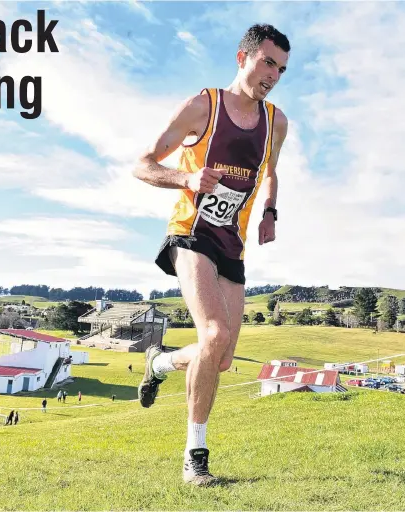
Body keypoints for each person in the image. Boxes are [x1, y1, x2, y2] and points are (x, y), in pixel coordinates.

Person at [134, 24, 290, 486]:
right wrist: (184, 179)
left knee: (218, 356)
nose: (274, 75)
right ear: (242, 57)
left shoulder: (276, 122)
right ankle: (194, 457)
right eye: (267, 63)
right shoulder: (203, 106)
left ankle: (159, 363)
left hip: (232, 245)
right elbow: (142, 164)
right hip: (191, 234)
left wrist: (270, 212)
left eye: (281, 69)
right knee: (215, 332)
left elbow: (271, 172)